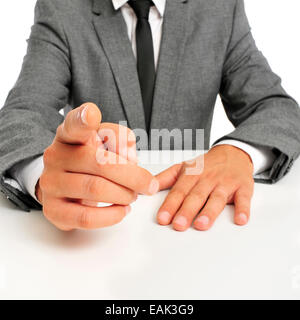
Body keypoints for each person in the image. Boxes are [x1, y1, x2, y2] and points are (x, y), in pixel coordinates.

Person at [0, 0, 299, 232]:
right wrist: (45, 175)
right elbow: (21, 115)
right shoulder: (63, 8)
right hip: (96, 238)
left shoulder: (219, 7)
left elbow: (278, 109)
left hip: (194, 230)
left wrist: (238, 153)